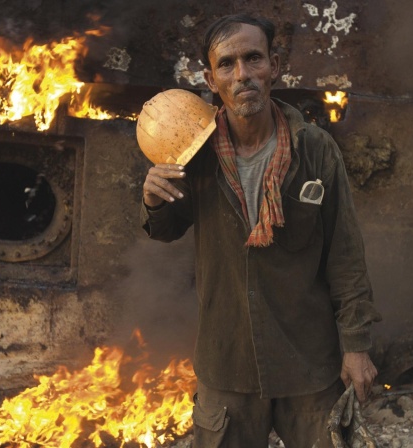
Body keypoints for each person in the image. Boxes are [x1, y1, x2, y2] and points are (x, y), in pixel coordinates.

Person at [140, 13, 381, 448]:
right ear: (211, 80)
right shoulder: (193, 152)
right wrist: (155, 199)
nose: (243, 74)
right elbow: (166, 230)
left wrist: (356, 345)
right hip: (227, 365)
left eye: (253, 59)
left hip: (309, 364)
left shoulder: (314, 150)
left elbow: (345, 255)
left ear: (274, 66)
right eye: (227, 64)